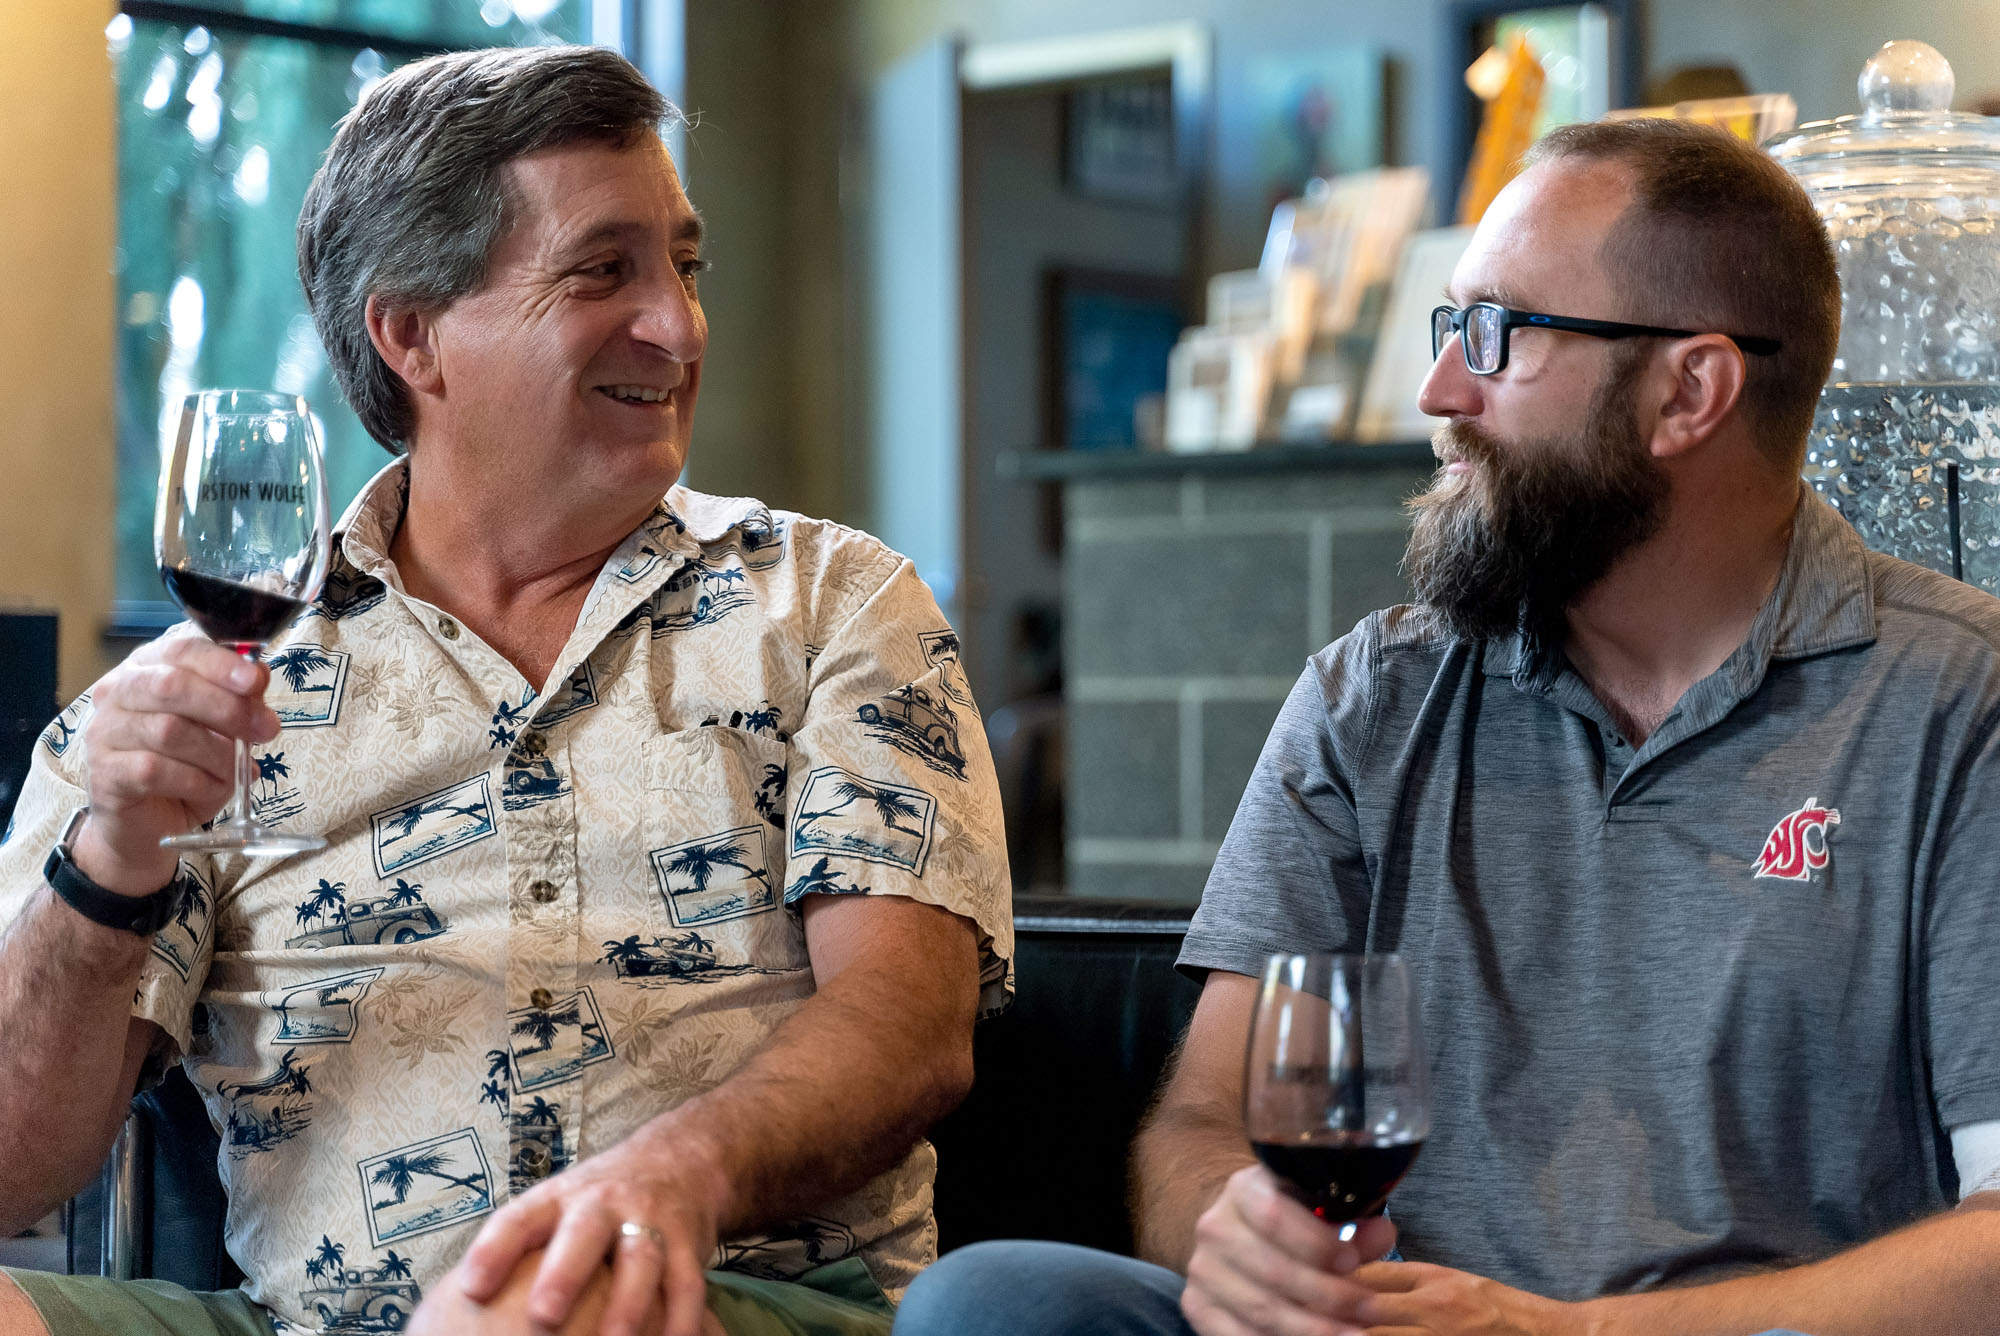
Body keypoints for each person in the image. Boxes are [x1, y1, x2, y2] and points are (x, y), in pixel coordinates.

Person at [895, 119, 2000, 1336]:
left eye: (1494, 337)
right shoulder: (1372, 695)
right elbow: (1203, 1122)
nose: (1436, 395)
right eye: (1446, 330)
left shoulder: (1957, 701)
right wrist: (1237, 1235)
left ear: (1689, 390)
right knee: (990, 1297)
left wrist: (1564, 1331)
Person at [0, 44, 1010, 1336]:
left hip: (721, 1293)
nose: (678, 324)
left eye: (684, 267)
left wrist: (667, 1181)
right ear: (413, 332)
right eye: (606, 271)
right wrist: (113, 860)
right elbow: (16, 1166)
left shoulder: (831, 606)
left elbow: (910, 1027)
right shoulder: (207, 694)